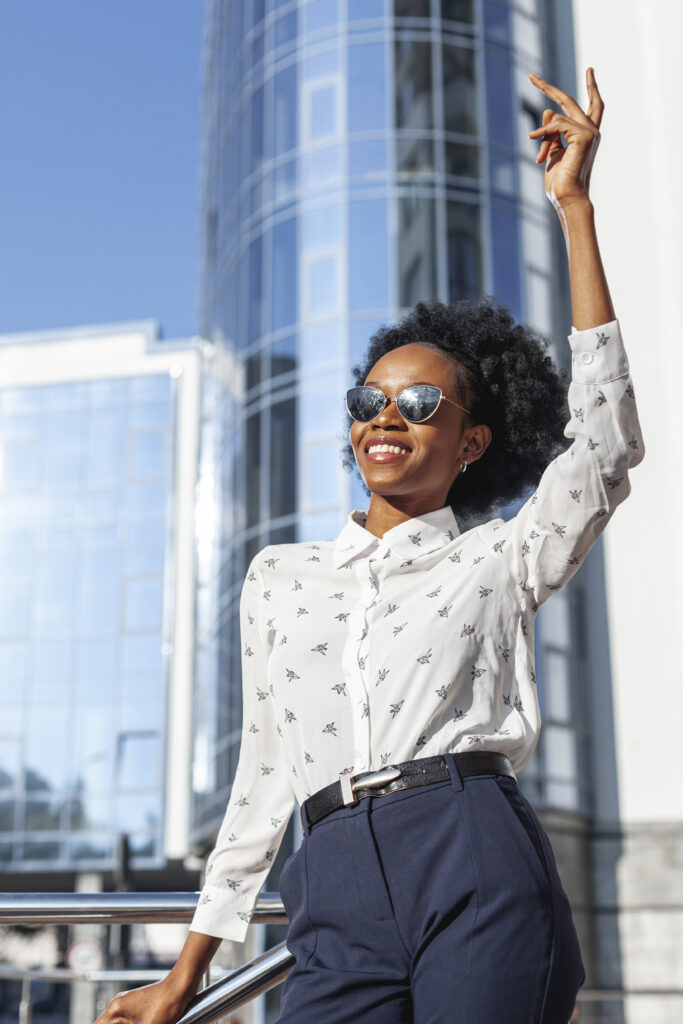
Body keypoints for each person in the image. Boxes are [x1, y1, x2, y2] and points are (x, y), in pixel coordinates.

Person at [95, 69, 642, 1024]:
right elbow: (262, 777)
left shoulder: (495, 559)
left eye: (421, 403)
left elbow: (604, 447)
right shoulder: (280, 577)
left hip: (470, 847)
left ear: (470, 442)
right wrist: (187, 976)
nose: (387, 417)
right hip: (330, 877)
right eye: (369, 401)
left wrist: (574, 209)